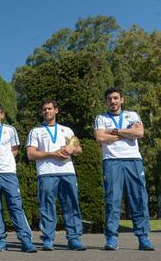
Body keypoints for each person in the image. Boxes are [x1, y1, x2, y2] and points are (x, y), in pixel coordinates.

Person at [94, 87, 154, 251]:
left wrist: (115, 131)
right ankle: (112, 238)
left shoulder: (132, 115)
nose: (112, 101)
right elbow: (99, 137)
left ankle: (143, 238)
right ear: (106, 101)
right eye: (109, 99)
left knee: (139, 198)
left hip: (133, 160)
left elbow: (140, 133)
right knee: (112, 200)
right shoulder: (101, 118)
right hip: (112, 161)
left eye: (115, 98)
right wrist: (128, 133)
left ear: (122, 99)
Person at [26, 99, 86, 251]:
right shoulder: (36, 131)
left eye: (50, 109)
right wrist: (52, 153)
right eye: (44, 109)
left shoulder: (67, 130)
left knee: (71, 205)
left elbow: (79, 150)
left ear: (56, 110)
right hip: (46, 173)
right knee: (46, 207)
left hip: (67, 172)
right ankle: (48, 239)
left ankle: (74, 238)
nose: (47, 111)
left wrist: (71, 149)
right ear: (41, 112)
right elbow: (31, 154)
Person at [0, 103, 37, 253]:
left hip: (8, 173)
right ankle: (0, 239)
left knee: (15, 205)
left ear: (2, 115)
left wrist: (4, 163)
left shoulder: (10, 130)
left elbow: (14, 150)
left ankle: (25, 238)